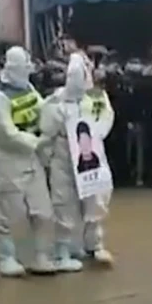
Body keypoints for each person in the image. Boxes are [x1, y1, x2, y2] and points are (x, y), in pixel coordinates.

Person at [0, 46, 57, 277]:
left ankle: (40, 255)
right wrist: (38, 141)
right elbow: (7, 133)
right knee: (9, 211)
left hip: (31, 158)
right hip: (6, 157)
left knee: (42, 209)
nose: (27, 70)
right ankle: (7, 257)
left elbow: (42, 108)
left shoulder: (30, 90)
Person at [40, 53, 115, 272]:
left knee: (96, 198)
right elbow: (47, 132)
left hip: (91, 154)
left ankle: (95, 244)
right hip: (63, 155)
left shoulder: (97, 100)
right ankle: (63, 249)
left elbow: (105, 122)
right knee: (63, 201)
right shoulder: (55, 102)